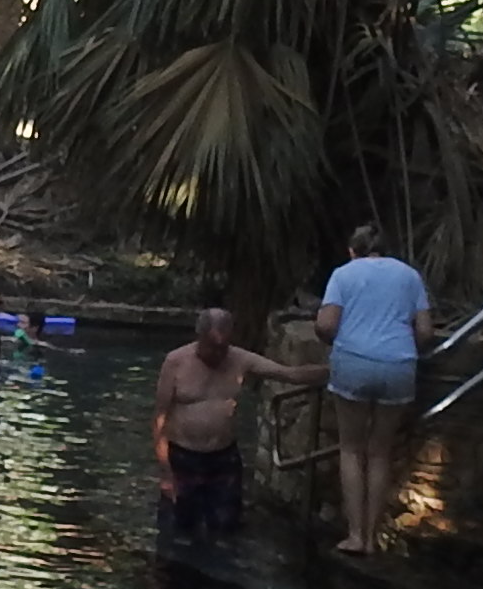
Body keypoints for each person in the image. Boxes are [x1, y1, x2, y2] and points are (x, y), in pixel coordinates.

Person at [316, 223, 435, 558]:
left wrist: (329, 338)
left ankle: (355, 535)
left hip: (353, 361)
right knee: (380, 452)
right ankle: (372, 538)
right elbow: (425, 332)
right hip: (398, 365)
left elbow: (326, 324)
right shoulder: (410, 276)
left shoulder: (343, 274)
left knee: (351, 449)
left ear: (352, 250)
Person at [151, 305, 304, 541]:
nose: (217, 354)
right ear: (199, 336)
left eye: (222, 348)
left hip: (223, 457)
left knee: (227, 528)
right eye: (211, 346)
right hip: (183, 456)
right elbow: (160, 418)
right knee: (178, 529)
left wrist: (336, 371)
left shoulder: (240, 359)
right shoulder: (175, 361)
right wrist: (166, 472)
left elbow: (289, 374)